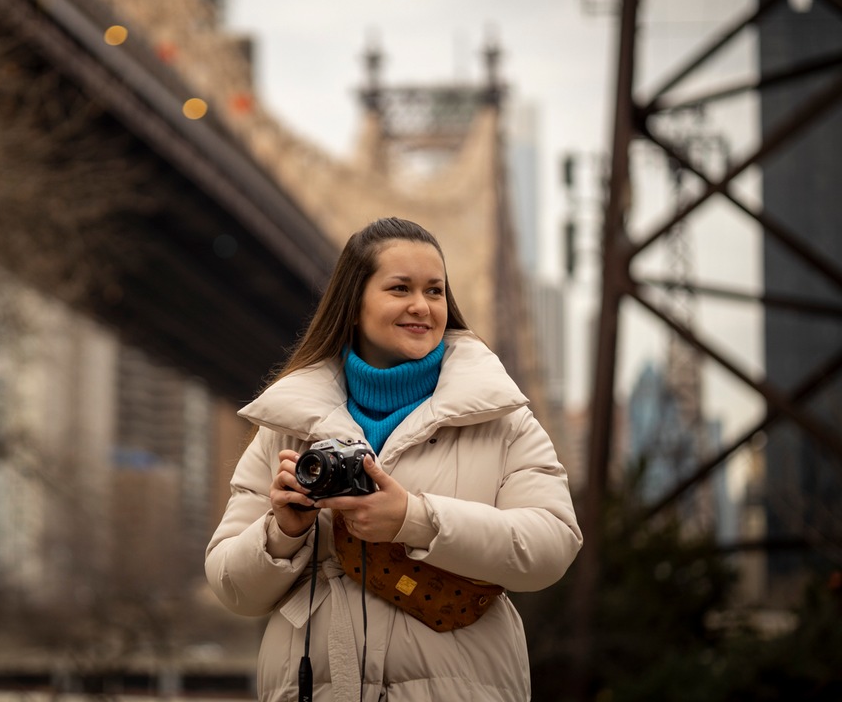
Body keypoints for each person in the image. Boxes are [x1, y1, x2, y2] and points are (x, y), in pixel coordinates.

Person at [205, 217, 582, 701]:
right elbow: (232, 589)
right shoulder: (285, 425)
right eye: (400, 288)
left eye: (435, 291)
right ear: (353, 305)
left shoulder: (503, 420)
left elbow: (551, 547)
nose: (421, 307)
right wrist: (282, 533)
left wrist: (416, 519)